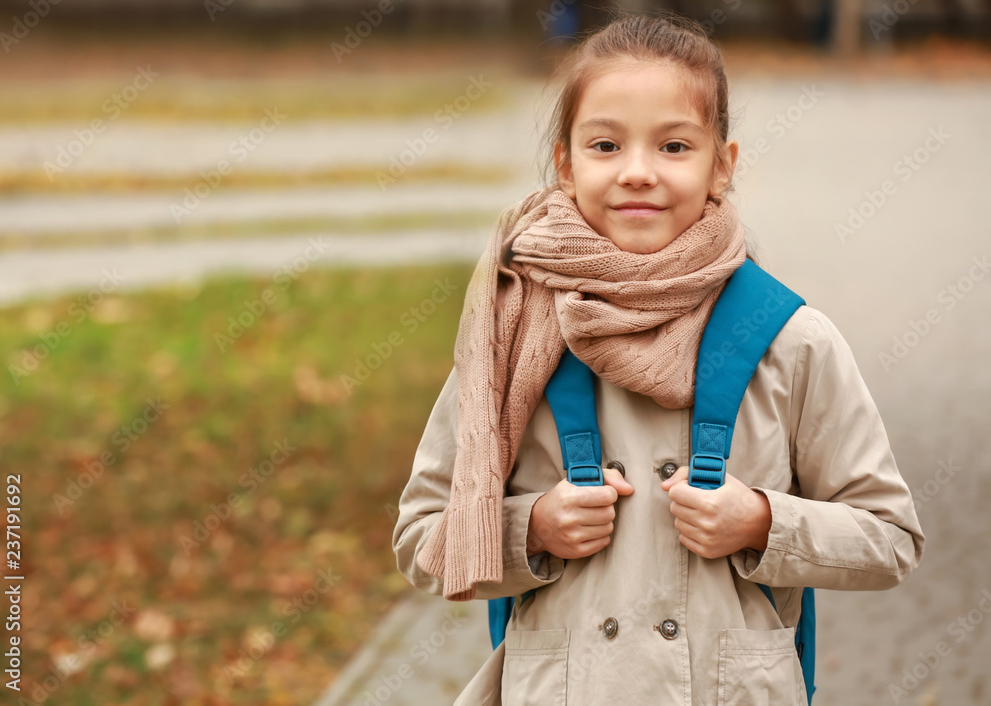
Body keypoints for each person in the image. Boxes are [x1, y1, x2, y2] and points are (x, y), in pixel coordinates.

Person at [392, 11, 924, 705]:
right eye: (606, 145)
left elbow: (890, 537)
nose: (638, 172)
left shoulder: (789, 342)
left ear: (721, 168)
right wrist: (535, 528)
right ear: (566, 163)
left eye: (674, 147)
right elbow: (422, 538)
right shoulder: (510, 329)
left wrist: (763, 521)